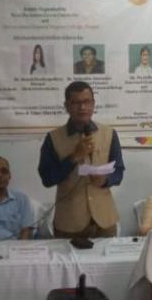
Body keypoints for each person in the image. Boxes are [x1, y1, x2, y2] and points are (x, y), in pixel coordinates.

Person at [38, 81, 124, 238]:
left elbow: (119, 171)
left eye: (87, 102)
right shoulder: (53, 138)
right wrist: (74, 157)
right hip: (69, 222)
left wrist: (105, 180)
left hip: (105, 220)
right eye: (76, 103)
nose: (82, 107)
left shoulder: (109, 133)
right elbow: (47, 179)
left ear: (93, 104)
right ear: (67, 106)